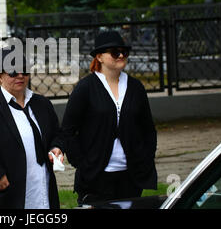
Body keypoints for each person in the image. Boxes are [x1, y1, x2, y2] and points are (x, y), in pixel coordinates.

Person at [61, 31, 157, 205]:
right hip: (96, 176)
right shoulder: (86, 88)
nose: (121, 55)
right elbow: (68, 130)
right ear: (100, 57)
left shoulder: (136, 87)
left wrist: (146, 157)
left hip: (131, 175)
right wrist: (83, 163)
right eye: (114, 52)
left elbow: (148, 128)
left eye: (124, 52)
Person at [0, 46, 65, 209]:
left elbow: (56, 135)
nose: (20, 76)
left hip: (44, 192)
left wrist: (56, 148)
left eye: (24, 71)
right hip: (10, 196)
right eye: (12, 72)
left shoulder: (43, 104)